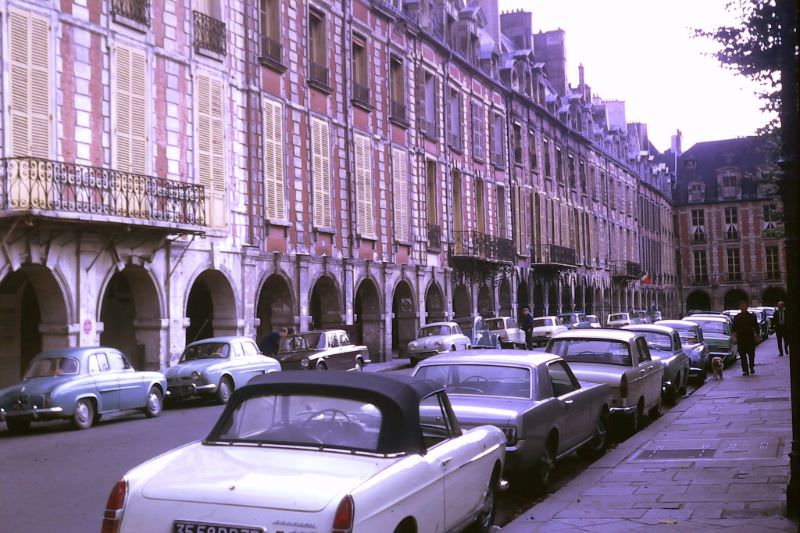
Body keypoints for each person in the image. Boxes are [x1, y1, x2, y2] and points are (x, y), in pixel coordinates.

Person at [732, 301, 759, 376]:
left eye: (744, 306)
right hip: (741, 339)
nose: (743, 308)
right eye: (741, 306)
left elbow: (756, 327)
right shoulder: (736, 317)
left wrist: (757, 336)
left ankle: (751, 366)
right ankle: (745, 370)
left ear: (747, 307)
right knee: (742, 355)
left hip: (750, 338)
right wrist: (734, 337)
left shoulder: (752, 316)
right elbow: (734, 329)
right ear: (740, 308)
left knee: (751, 354)